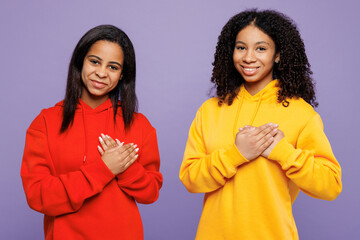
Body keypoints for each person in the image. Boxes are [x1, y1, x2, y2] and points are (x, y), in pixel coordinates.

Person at [179, 9, 342, 240]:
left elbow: (330, 185)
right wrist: (236, 155)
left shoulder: (302, 114)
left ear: (277, 55)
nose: (248, 57)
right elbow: (190, 179)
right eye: (241, 47)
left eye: (261, 48)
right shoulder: (209, 111)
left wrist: (283, 152)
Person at [21, 25, 163, 240]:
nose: (102, 73)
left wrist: (125, 168)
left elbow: (151, 192)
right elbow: (38, 196)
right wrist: (104, 168)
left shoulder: (139, 125)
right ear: (81, 61)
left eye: (113, 67)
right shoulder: (46, 122)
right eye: (95, 61)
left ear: (123, 74)